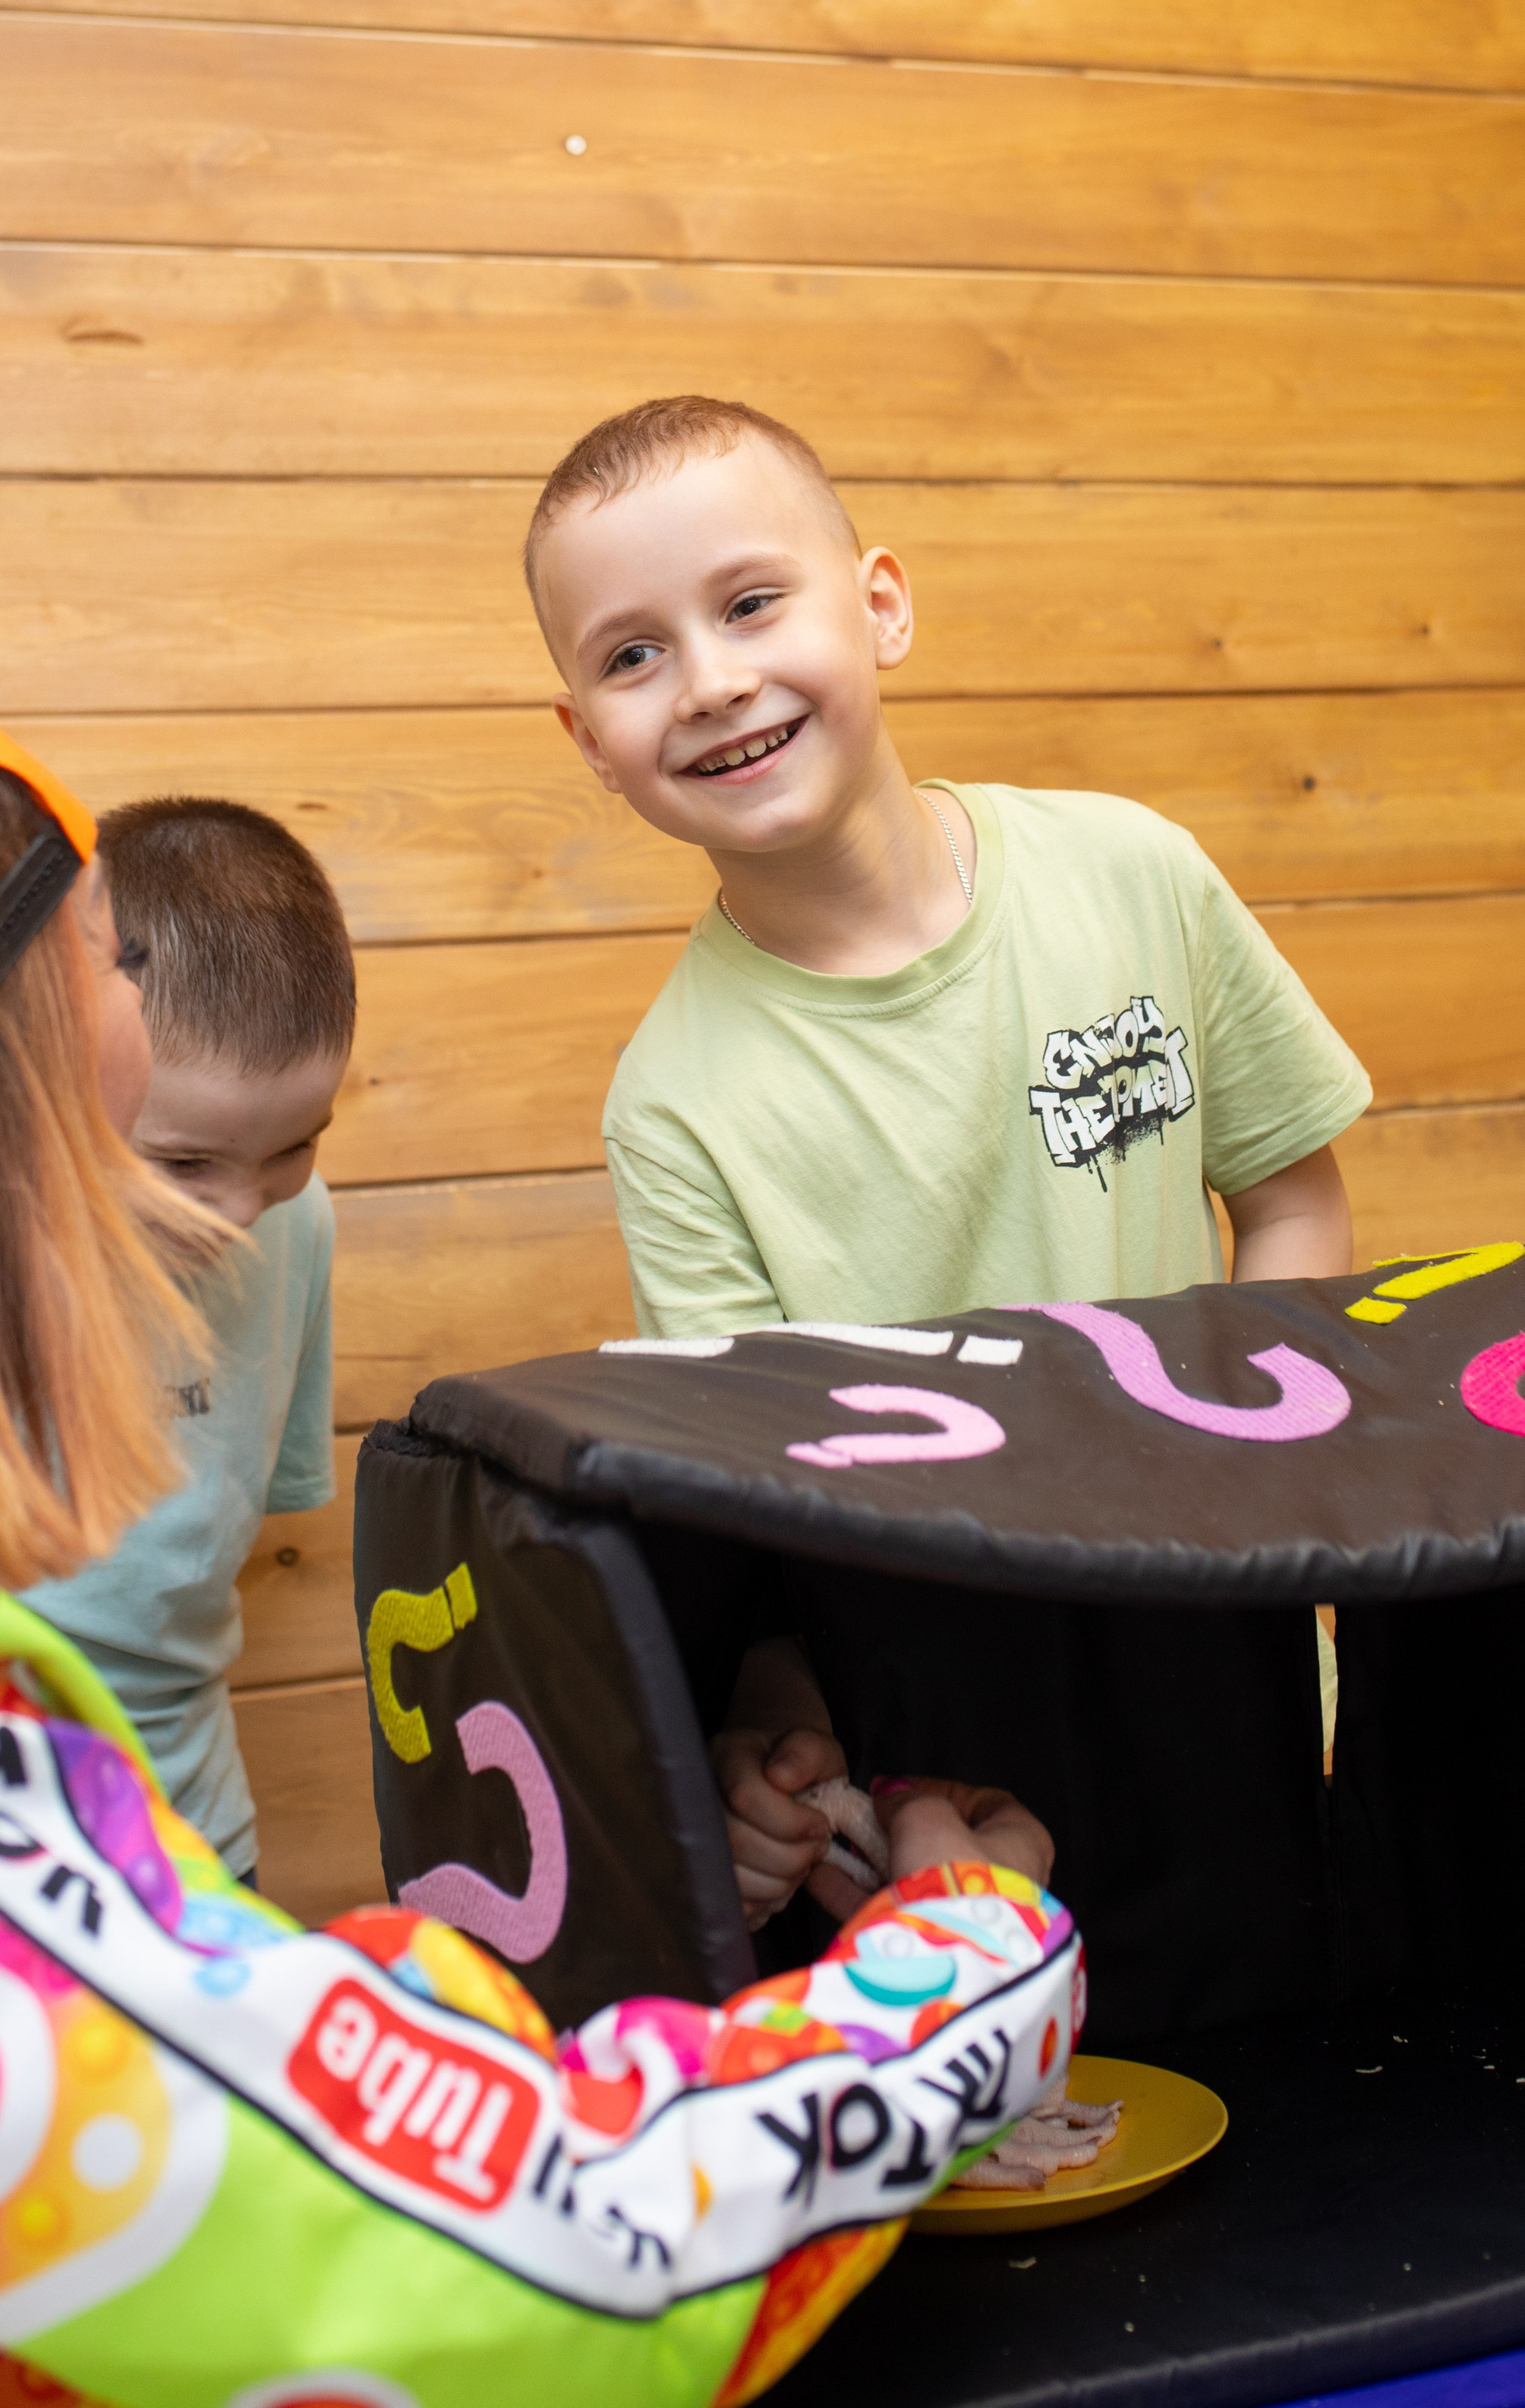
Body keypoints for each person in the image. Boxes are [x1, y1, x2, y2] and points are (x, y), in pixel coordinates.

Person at [0, 652, 1081, 2408]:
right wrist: (973, 1947)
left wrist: (387, 1996)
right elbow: (566, 2265)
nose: (191, 1237)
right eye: (100, 1147)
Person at [525, 395, 1372, 1931]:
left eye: (749, 603)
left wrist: (1230, 1489)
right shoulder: (671, 1109)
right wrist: (777, 1748)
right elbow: (765, 1510)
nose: (710, 684)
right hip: (944, 1763)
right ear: (588, 740)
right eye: (631, 654)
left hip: (1223, 1651)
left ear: (881, 606)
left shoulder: (1132, 874)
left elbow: (1293, 1198)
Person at [27, 798, 353, 1886]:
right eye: (182, 1166)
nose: (243, 1211)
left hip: (198, 1837)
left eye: (292, 1148)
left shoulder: (301, 1222)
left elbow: (245, 1523)